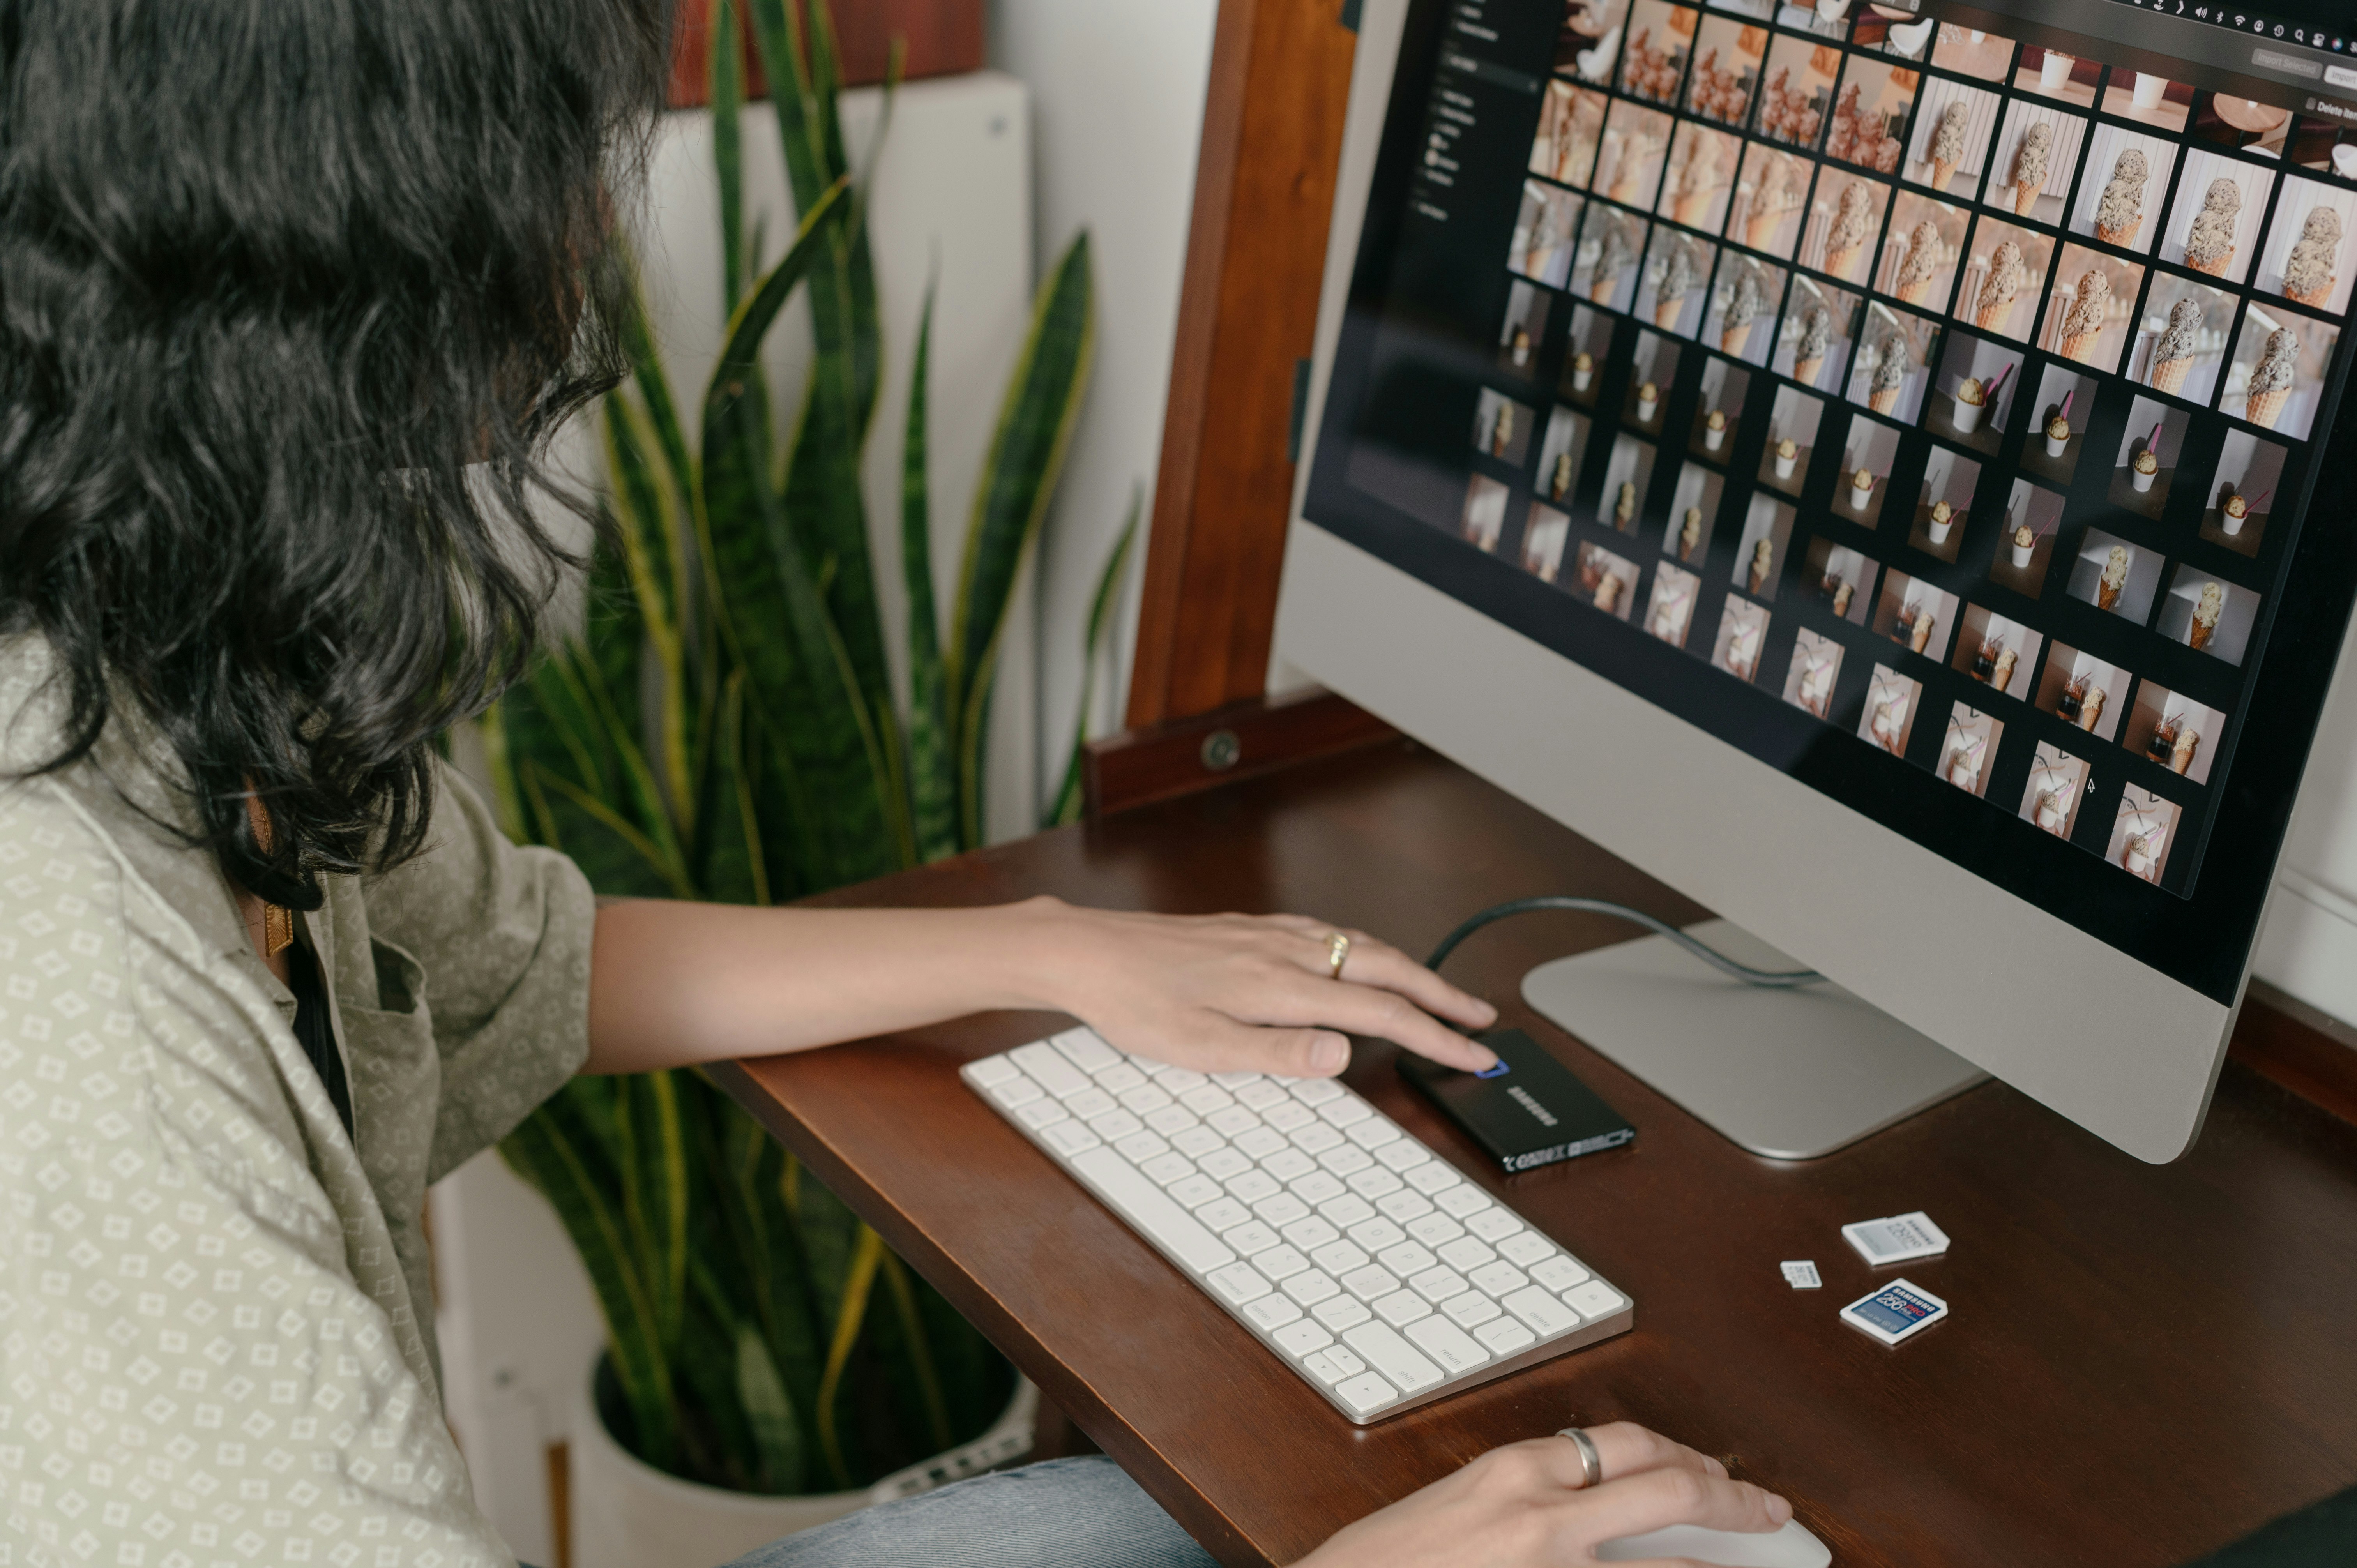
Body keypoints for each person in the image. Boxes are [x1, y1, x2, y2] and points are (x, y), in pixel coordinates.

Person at [0, 2, 1799, 1563]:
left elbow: (520, 966)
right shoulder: (70, 983)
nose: (586, 235)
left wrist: (1056, 949)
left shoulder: (159, 647)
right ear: (345, 239)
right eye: (556, 154)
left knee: (1137, 1522)